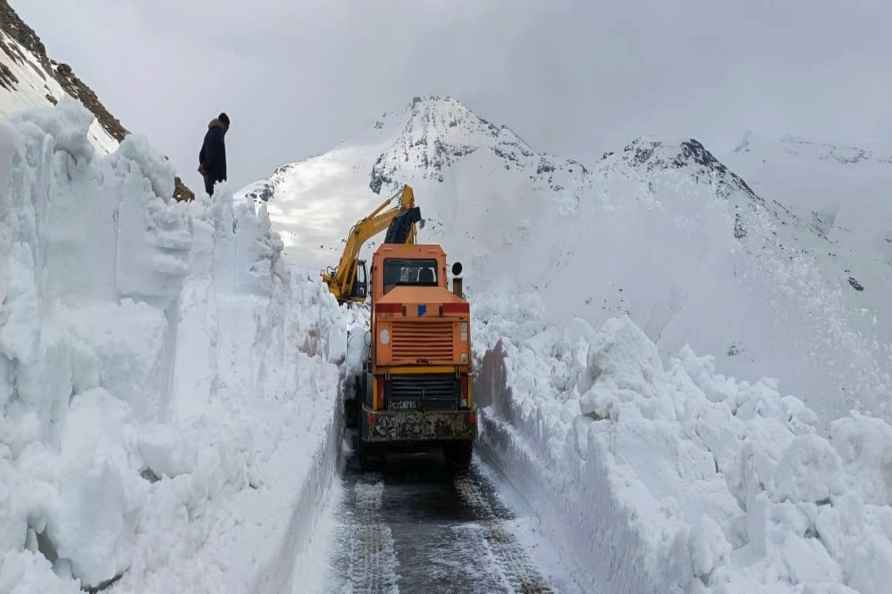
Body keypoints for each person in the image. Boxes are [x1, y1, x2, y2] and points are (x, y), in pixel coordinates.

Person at [198, 112, 230, 196]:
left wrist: (203, 166)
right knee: (217, 204)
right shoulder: (218, 132)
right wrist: (206, 165)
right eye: (227, 128)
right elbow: (212, 153)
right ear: (225, 124)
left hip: (209, 175)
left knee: (211, 202)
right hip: (216, 177)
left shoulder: (209, 132)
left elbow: (201, 154)